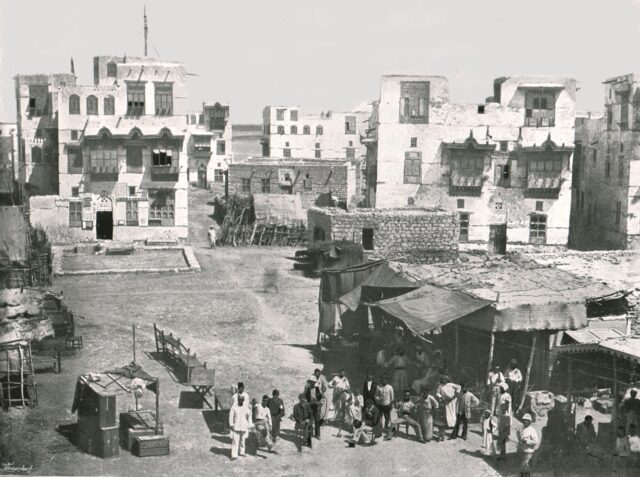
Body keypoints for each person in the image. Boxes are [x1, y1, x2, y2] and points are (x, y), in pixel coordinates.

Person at [305, 368, 328, 440]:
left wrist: (318, 403)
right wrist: (308, 403)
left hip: (316, 406)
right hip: (310, 406)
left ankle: (317, 435)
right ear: (310, 382)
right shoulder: (307, 389)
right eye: (311, 382)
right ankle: (310, 433)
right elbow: (305, 397)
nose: (312, 383)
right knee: (310, 419)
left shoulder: (317, 389)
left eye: (313, 382)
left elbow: (321, 398)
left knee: (317, 420)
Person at [229, 394, 252, 460]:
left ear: (243, 400)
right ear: (238, 400)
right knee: (235, 440)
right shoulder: (234, 407)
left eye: (242, 400)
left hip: (244, 426)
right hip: (236, 426)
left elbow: (249, 416)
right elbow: (231, 416)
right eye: (239, 400)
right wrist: (231, 424)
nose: (240, 401)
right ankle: (234, 455)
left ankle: (242, 452)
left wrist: (249, 425)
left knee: (242, 440)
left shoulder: (246, 407)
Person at [497, 383, 512, 461]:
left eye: (501, 388)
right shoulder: (501, 395)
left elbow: (505, 406)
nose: (500, 389)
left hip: (505, 418)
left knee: (503, 437)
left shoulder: (507, 396)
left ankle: (503, 455)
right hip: (502, 417)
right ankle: (502, 454)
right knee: (501, 437)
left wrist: (503, 412)